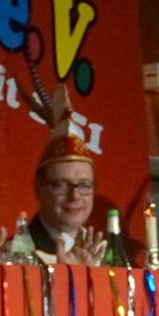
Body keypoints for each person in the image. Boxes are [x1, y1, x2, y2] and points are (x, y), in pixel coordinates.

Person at [29, 86, 106, 264]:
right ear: (38, 188)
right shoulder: (16, 255)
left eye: (85, 185)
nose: (75, 196)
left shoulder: (105, 255)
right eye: (62, 185)